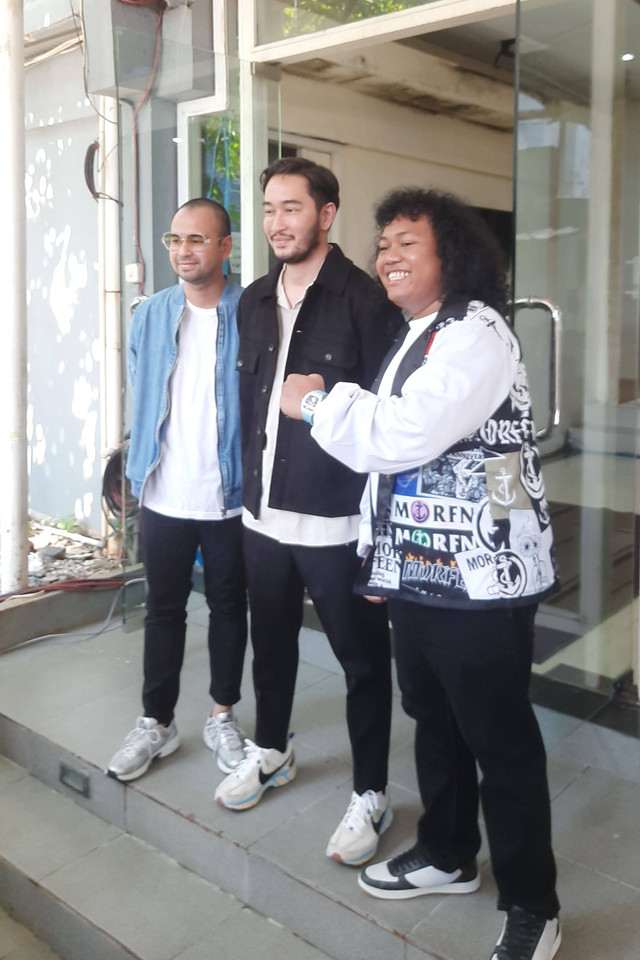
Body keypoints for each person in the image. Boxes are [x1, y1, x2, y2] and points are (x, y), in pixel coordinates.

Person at [280, 187, 562, 960]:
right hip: (424, 571)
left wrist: (315, 404)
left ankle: (534, 901)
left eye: (408, 242)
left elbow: (401, 435)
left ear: (454, 257)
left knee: (498, 739)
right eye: (384, 244)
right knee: (433, 717)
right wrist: (382, 555)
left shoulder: (475, 332)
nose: (388, 256)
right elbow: (400, 474)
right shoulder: (420, 333)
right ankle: (447, 854)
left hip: (483, 576)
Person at [214, 157, 403, 868]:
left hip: (335, 522)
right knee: (275, 646)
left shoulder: (365, 300)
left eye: (292, 208)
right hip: (263, 517)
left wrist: (378, 529)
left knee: (361, 661)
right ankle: (272, 750)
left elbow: (386, 420)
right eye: (268, 209)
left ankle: (372, 792)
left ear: (326, 215)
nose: (277, 223)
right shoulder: (254, 299)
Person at [107, 198, 248, 782]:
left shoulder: (254, 311)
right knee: (162, 611)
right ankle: (156, 722)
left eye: (197, 239)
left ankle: (222, 715)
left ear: (224, 248)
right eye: (174, 239)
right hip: (164, 490)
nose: (182, 250)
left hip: (231, 495)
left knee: (227, 609)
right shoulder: (151, 313)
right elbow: (142, 386)